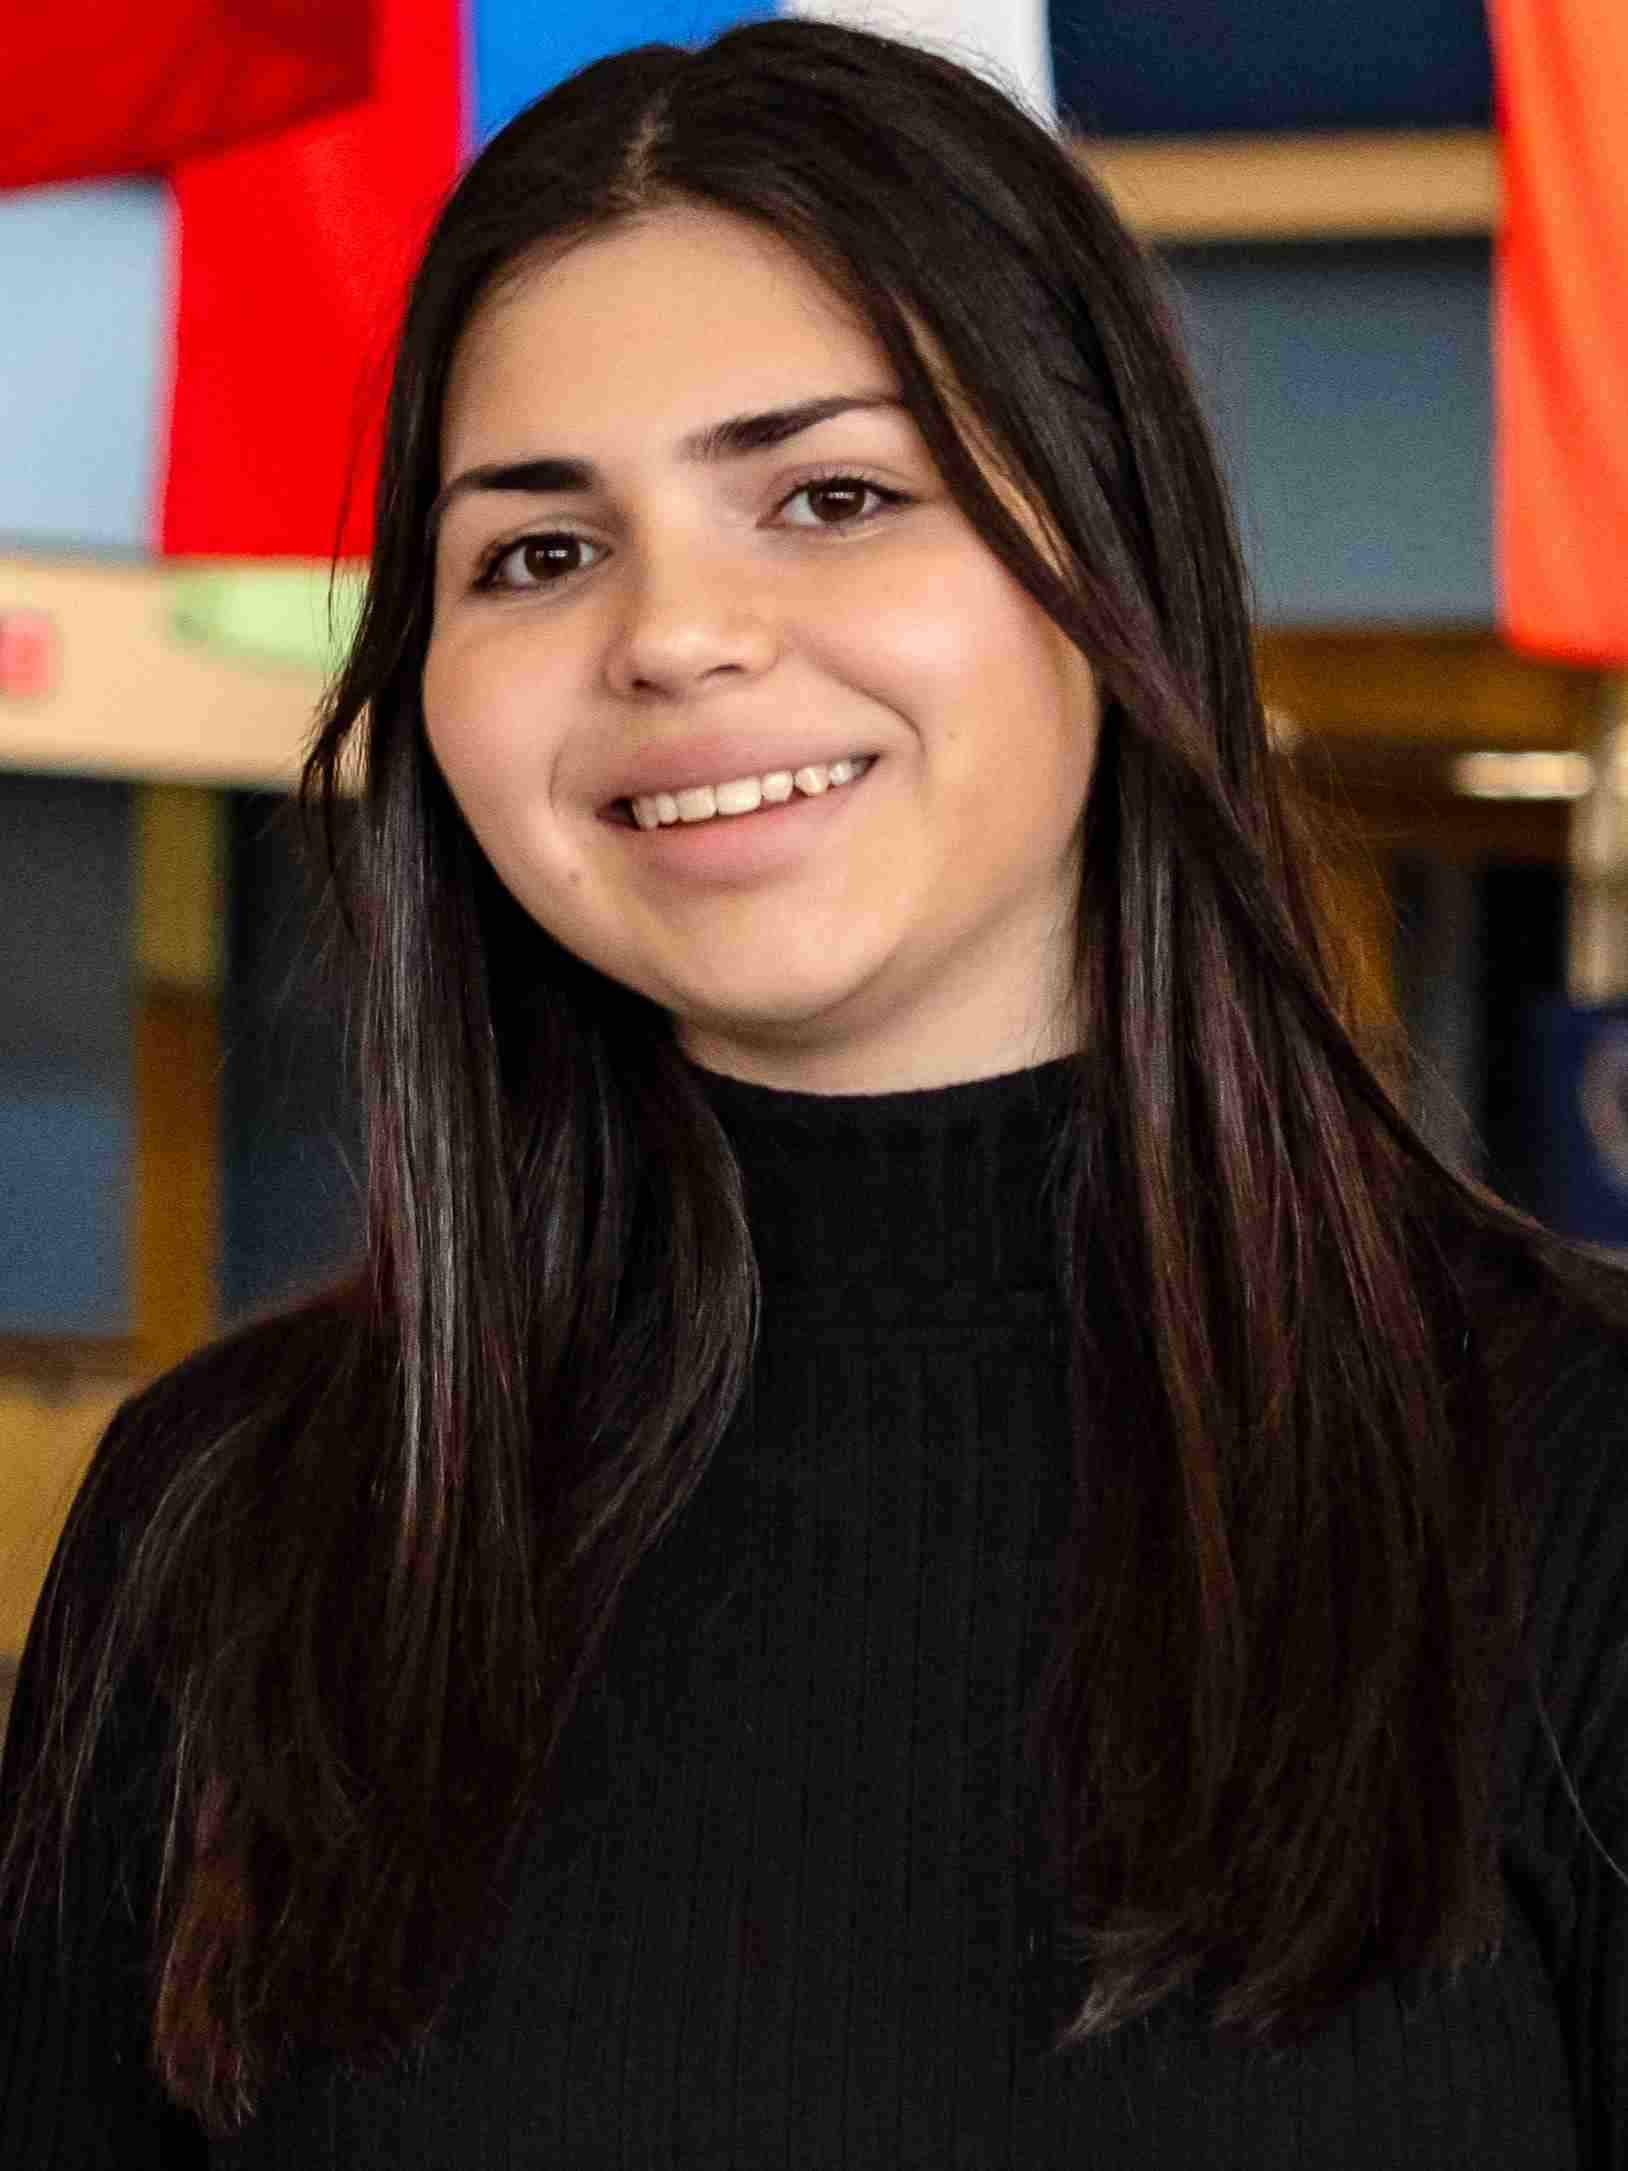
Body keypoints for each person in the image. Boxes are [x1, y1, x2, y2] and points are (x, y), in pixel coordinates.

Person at [2, 18, 1626, 2167]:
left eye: (834, 496)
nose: (674, 636)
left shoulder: (1574, 1479)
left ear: (1112, 554)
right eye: (538, 552)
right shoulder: (228, 1527)